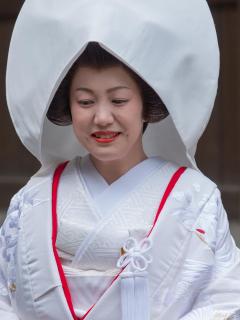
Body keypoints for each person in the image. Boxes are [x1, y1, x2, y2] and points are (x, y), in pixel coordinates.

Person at [1, 0, 240, 319]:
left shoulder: (195, 198)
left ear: (147, 104)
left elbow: (225, 299)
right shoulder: (34, 198)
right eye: (85, 101)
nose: (101, 117)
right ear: (68, 107)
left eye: (119, 100)